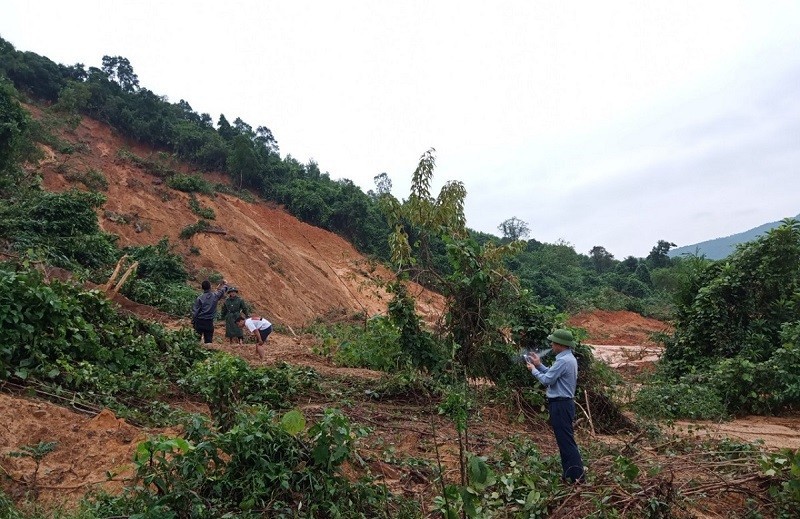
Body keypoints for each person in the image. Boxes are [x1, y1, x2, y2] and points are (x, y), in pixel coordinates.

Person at [526, 328, 586, 484]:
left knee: (566, 442)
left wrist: (533, 370)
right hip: (563, 404)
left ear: (560, 344)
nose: (551, 345)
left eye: (553, 342)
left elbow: (547, 380)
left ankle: (577, 477)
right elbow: (551, 374)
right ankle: (570, 475)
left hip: (560, 405)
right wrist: (539, 365)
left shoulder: (563, 361)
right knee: (564, 441)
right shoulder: (568, 359)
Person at [191, 279, 228, 344]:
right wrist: (225, 285)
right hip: (209, 322)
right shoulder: (215, 296)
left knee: (196, 341)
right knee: (208, 341)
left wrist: (193, 321)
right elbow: (222, 291)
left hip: (199, 321)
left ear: (202, 288)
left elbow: (195, 312)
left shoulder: (200, 298)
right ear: (210, 287)